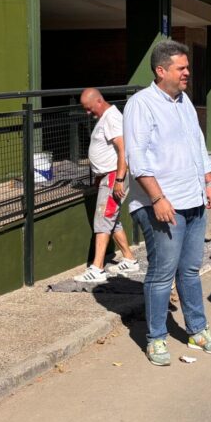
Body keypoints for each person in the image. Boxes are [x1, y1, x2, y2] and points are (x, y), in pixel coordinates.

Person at [123, 40, 211, 366]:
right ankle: (156, 338)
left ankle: (198, 330)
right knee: (162, 274)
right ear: (161, 70)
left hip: (192, 200)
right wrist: (157, 198)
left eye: (187, 67)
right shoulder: (142, 104)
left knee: (191, 270)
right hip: (162, 205)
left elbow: (198, 144)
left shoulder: (184, 102)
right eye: (181, 68)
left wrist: (209, 182)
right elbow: (137, 159)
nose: (187, 73)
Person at [75, 88, 139, 283]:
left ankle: (97, 268)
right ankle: (129, 258)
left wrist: (119, 179)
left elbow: (123, 149)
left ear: (99, 101)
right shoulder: (105, 118)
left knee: (103, 219)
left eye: (89, 108)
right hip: (108, 176)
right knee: (112, 219)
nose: (88, 113)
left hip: (113, 176)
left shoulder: (112, 118)